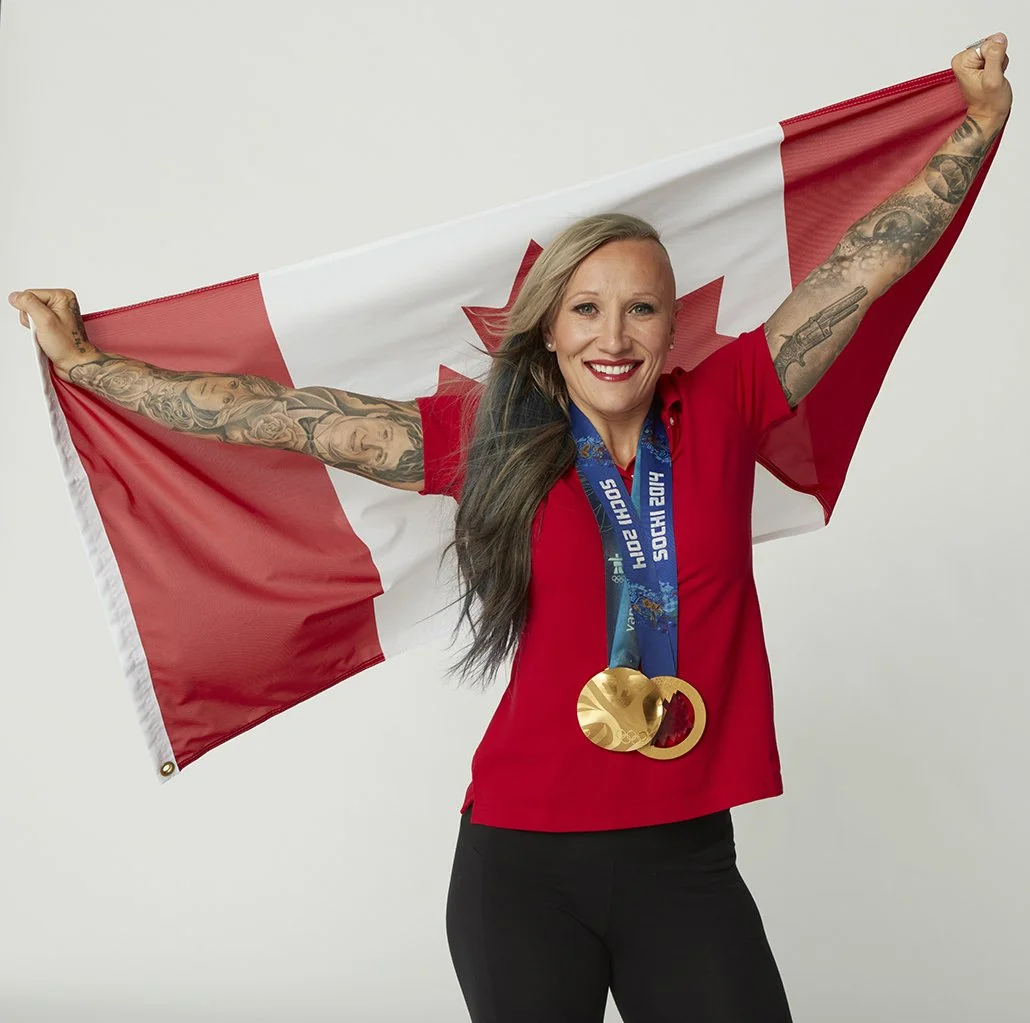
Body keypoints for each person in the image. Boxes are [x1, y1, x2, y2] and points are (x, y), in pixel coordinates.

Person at [9, 36, 1012, 1023]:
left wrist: (971, 131)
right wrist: (91, 367)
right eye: (585, 309)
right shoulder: (487, 438)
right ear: (546, 325)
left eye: (640, 311)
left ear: (672, 328)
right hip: (518, 871)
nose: (612, 337)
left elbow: (859, 269)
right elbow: (281, 414)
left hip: (685, 864)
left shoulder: (731, 399)